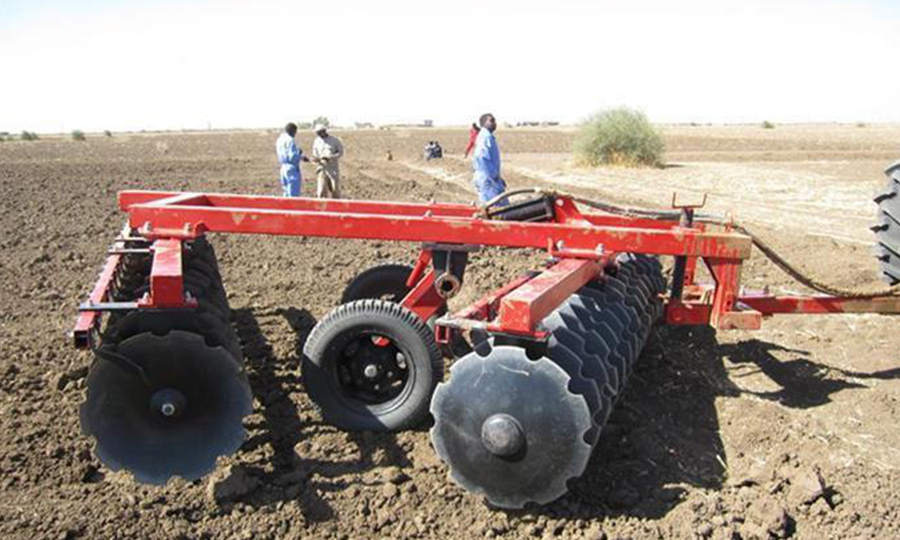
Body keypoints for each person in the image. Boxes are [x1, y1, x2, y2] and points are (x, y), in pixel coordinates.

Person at [471, 113, 508, 205]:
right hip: (488, 181)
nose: (494, 123)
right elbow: (481, 157)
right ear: (484, 123)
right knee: (497, 210)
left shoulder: (486, 136)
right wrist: (493, 176)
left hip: (488, 179)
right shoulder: (486, 137)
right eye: (491, 121)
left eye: (494, 121)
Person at [275, 122, 309, 197]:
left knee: (286, 191)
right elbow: (292, 156)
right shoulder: (290, 140)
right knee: (293, 193)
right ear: (293, 131)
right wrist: (302, 157)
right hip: (291, 168)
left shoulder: (280, 140)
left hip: (283, 168)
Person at [312, 123, 344, 199]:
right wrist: (317, 159)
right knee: (321, 191)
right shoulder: (316, 141)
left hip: (333, 169)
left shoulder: (335, 140)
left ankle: (336, 206)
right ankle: (322, 208)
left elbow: (340, 152)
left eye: (320, 132)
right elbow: (315, 153)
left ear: (324, 131)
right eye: (317, 133)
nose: (319, 134)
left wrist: (331, 157)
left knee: (334, 190)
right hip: (322, 168)